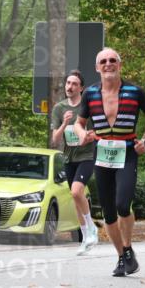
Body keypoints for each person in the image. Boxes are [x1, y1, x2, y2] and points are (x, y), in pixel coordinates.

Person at [73, 48, 145, 277]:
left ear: (120, 65)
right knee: (109, 213)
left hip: (127, 152)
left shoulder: (135, 91)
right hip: (102, 154)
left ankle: (127, 248)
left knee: (123, 204)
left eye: (113, 60)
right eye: (103, 61)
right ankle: (123, 257)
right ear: (97, 67)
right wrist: (82, 134)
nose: (108, 64)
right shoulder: (90, 94)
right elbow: (78, 123)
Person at [51, 70, 99, 254]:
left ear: (81, 88)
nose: (69, 87)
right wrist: (64, 124)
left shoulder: (87, 108)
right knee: (75, 197)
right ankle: (86, 237)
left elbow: (97, 131)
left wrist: (88, 136)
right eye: (68, 83)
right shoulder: (59, 108)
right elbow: (55, 140)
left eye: (74, 84)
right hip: (69, 157)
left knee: (77, 190)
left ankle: (91, 228)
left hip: (87, 156)